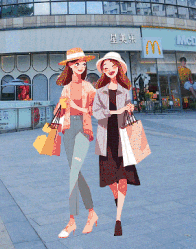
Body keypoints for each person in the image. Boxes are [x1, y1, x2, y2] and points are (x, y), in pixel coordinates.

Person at [92, 52, 139, 237]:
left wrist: (129, 108)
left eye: (113, 66)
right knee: (111, 179)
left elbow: (127, 108)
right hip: (105, 135)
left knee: (123, 177)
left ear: (119, 68)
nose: (110, 69)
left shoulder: (125, 89)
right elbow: (96, 112)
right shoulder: (100, 90)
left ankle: (118, 218)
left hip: (122, 136)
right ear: (103, 70)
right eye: (106, 67)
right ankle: (118, 202)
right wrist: (116, 111)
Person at [55, 48, 98, 238]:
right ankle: (89, 213)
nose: (81, 66)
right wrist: (63, 107)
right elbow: (60, 108)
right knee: (74, 172)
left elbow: (97, 106)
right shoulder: (66, 88)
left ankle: (74, 220)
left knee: (74, 172)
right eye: (77, 63)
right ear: (70, 66)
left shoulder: (89, 87)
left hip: (82, 127)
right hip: (67, 128)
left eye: (83, 63)